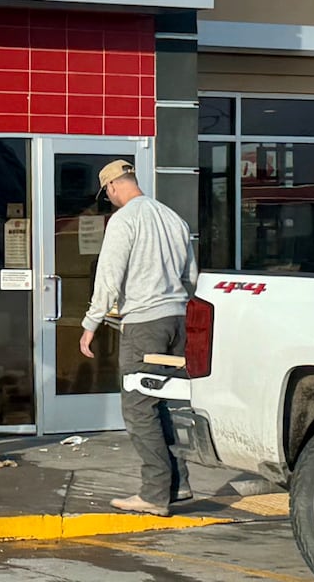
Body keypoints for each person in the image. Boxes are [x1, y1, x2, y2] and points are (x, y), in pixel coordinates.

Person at [79, 159, 199, 517]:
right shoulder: (173, 218)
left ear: (113, 186)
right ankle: (177, 483)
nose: (109, 199)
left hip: (145, 324)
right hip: (177, 320)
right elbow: (191, 275)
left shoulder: (124, 220)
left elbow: (109, 275)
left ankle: (154, 493)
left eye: (108, 194)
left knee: (137, 408)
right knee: (161, 404)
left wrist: (90, 324)